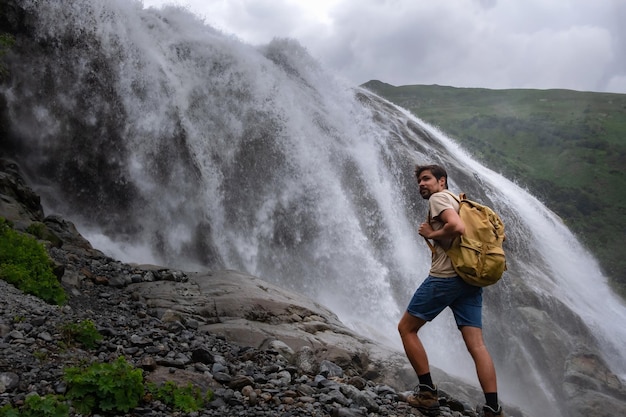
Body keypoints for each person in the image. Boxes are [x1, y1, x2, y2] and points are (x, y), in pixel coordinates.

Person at [397, 164, 504, 417]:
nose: (422, 184)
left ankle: (426, 394)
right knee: (477, 345)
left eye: (426, 179)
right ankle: (493, 408)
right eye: (419, 181)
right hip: (470, 280)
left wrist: (432, 232)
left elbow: (456, 227)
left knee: (406, 328)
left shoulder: (439, 198)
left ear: (441, 181)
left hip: (446, 278)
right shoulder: (461, 201)